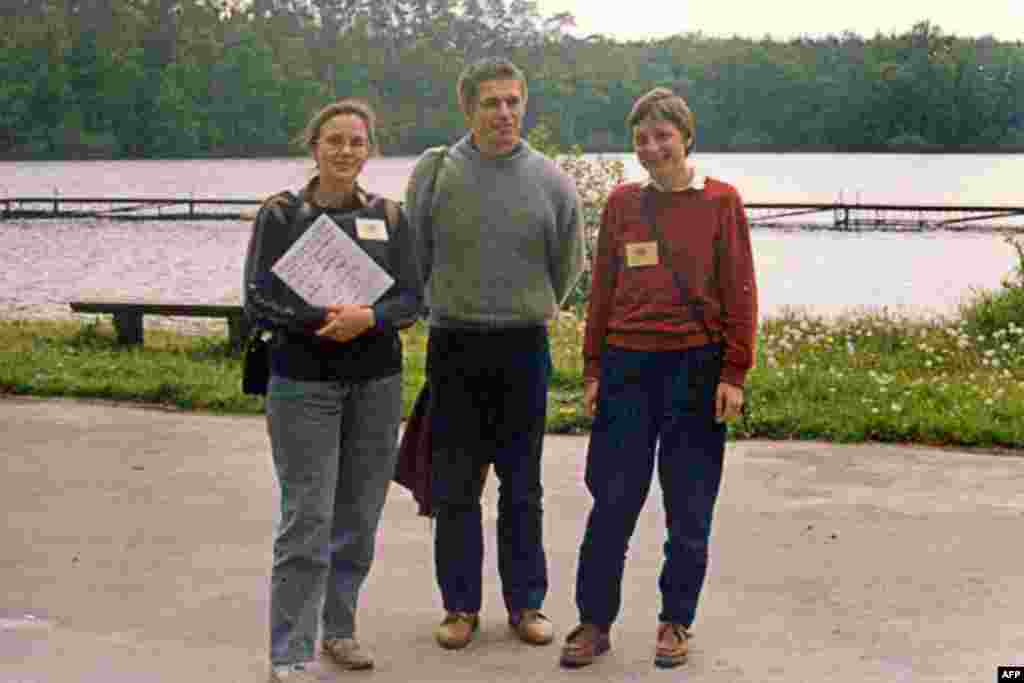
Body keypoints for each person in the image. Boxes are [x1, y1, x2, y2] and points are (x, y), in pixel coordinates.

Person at [559, 87, 758, 670]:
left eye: (663, 135)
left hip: (696, 368)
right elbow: (601, 293)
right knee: (612, 503)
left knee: (689, 506)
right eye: (642, 138)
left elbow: (740, 291)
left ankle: (676, 621)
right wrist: (593, 367)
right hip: (626, 366)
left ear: (686, 137)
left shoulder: (722, 202)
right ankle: (595, 622)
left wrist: (734, 371)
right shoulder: (623, 205)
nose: (652, 147)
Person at [404, 56, 585, 651]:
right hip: (454, 342)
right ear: (468, 109)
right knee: (456, 487)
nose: (503, 113)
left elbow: (568, 267)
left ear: (523, 105)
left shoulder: (553, 181)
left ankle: (526, 603)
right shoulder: (436, 173)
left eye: (512, 101)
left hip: (523, 346)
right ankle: (459, 608)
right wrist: (453, 303)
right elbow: (416, 256)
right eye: (490, 102)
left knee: (523, 486)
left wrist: (526, 304)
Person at [243, 99, 423, 682]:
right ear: (313, 145)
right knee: (307, 518)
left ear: (370, 149)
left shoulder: (391, 218)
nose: (345, 151)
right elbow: (258, 300)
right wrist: (327, 317)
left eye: (356, 141)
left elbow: (410, 301)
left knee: (359, 515)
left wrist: (367, 319)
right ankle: (290, 651)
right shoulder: (279, 215)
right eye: (334, 140)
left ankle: (339, 631)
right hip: (301, 383)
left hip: (376, 382)